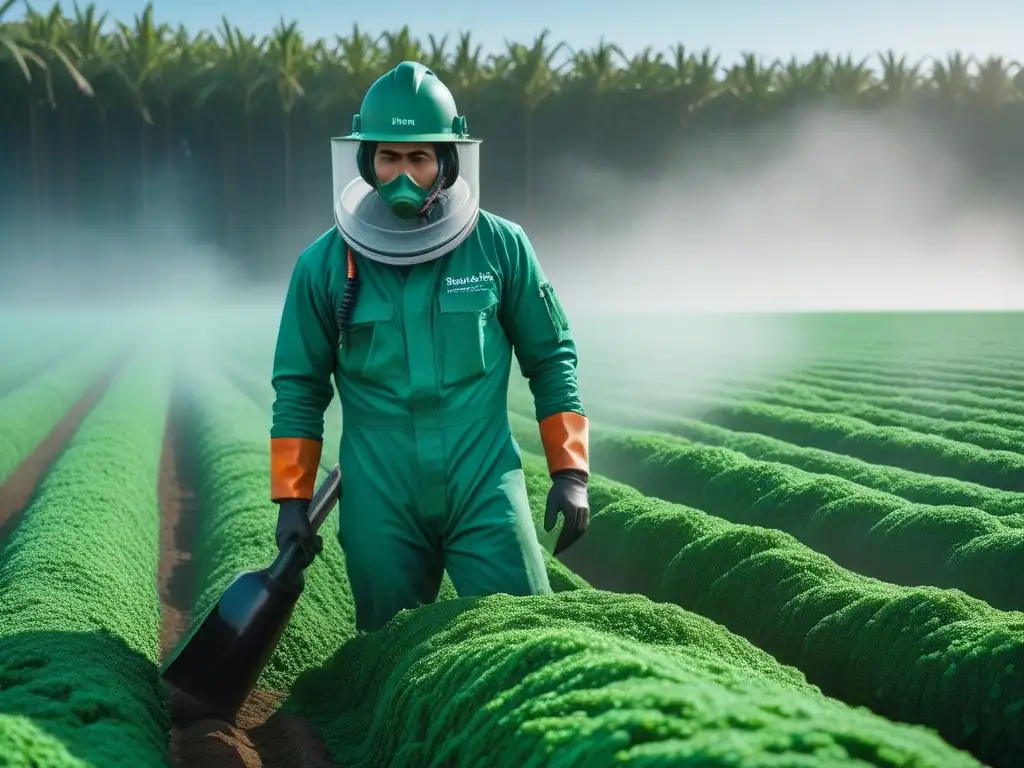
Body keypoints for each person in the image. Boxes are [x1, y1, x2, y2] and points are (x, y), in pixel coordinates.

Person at [268, 60, 590, 633]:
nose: (403, 175)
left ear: (447, 161)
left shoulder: (500, 246)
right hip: (378, 487)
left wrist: (571, 471)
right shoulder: (322, 265)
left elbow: (550, 356)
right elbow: (299, 386)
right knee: (389, 647)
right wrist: (292, 500)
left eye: (419, 158)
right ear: (366, 162)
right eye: (389, 158)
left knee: (526, 631)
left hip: (482, 475)